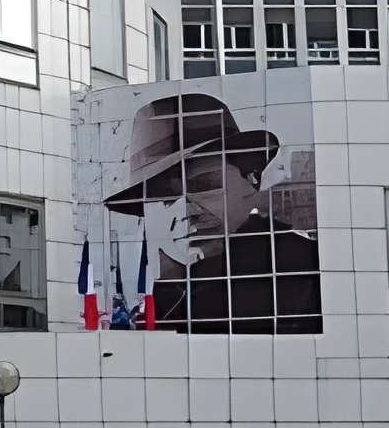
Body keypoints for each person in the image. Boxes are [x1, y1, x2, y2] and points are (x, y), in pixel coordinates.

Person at [98, 92, 321, 333]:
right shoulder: (166, 289)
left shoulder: (302, 266)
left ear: (251, 181)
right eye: (161, 199)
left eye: (203, 185)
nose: (184, 210)